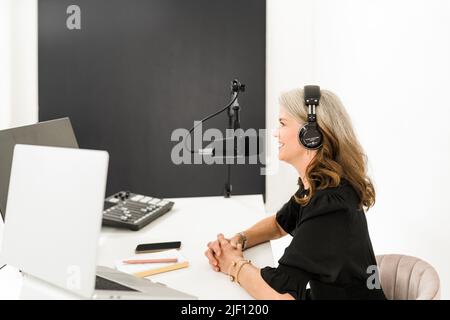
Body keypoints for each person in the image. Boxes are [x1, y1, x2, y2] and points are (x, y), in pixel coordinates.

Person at [204, 86, 386, 300]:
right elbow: (279, 224)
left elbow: (281, 297)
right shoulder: (320, 184)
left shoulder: (330, 206)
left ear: (311, 135)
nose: (275, 132)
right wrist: (239, 240)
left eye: (282, 123)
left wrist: (233, 264)